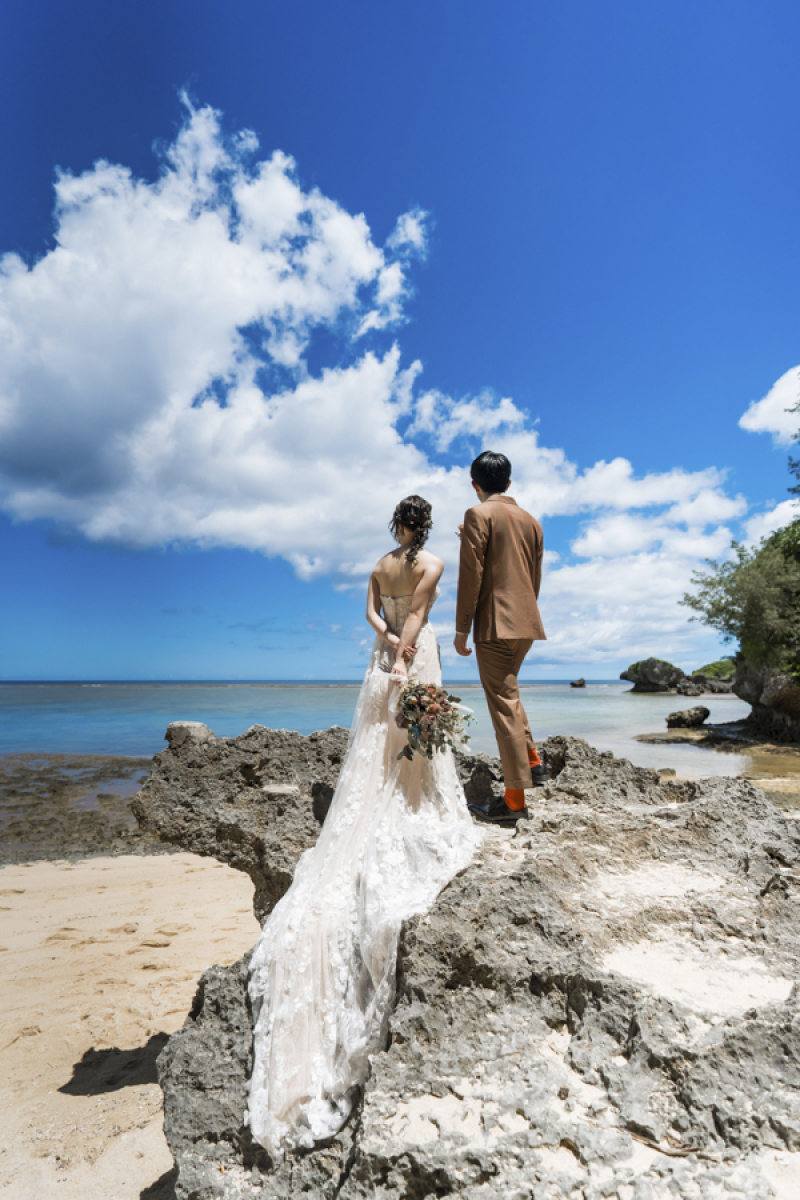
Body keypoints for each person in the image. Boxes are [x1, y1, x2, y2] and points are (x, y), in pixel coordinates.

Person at [246, 495, 481, 1155]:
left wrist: (384, 645)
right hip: (415, 655)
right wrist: (406, 657)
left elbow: (372, 614)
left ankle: (398, 792)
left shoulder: (380, 563)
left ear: (393, 527)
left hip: (381, 658)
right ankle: (417, 800)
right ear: (426, 528)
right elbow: (420, 618)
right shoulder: (432, 563)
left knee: (381, 740)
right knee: (418, 740)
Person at [454, 451, 547, 822]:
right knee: (509, 694)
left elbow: (471, 574)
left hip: (494, 623)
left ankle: (514, 803)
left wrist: (463, 627)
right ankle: (533, 761)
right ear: (508, 483)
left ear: (475, 485)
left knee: (502, 705)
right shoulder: (532, 521)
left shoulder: (477, 514)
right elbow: (531, 575)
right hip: (526, 621)